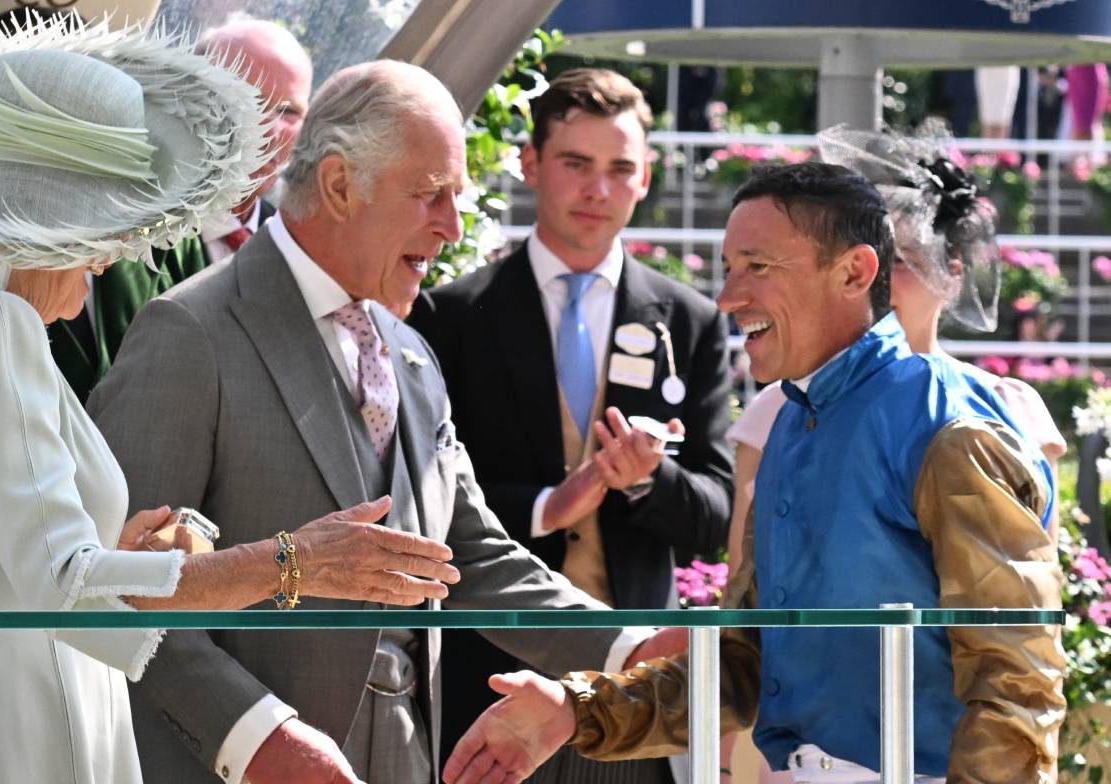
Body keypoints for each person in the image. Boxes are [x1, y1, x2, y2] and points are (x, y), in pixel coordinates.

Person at [0, 19, 459, 784]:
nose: (110, 263)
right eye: (105, 234)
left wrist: (127, 552)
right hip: (3, 741)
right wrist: (298, 562)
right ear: (44, 223)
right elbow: (69, 587)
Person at [89, 59, 683, 784]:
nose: (453, 226)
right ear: (339, 185)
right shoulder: (189, 331)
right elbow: (117, 587)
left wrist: (629, 649)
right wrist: (256, 738)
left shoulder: (411, 353)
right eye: (432, 194)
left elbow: (468, 556)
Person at [443, 162, 1066, 784]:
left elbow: (1018, 683)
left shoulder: (950, 426)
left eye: (757, 267)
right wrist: (575, 709)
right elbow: (744, 662)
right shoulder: (791, 423)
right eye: (728, 269)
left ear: (855, 272)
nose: (727, 298)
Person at [410, 67, 733, 784]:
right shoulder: (453, 317)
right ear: (530, 165)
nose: (598, 190)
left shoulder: (691, 322)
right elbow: (422, 503)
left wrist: (651, 481)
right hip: (492, 692)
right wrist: (544, 508)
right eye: (576, 164)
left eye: (621, 169)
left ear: (645, 178)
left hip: (633, 701)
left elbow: (718, 517)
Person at [48, 14, 313, 399]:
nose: (269, 131)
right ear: (185, 96)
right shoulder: (113, 217)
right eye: (249, 100)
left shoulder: (292, 253)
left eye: (288, 111)